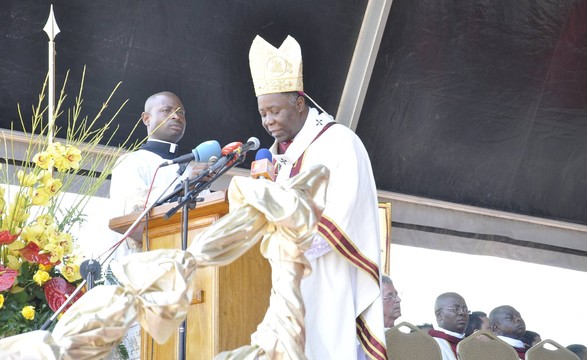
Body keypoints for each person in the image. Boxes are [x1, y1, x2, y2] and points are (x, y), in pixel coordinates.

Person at [248, 35, 385, 359]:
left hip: (329, 274)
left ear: (299, 102)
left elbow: (345, 212)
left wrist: (292, 246)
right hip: (291, 279)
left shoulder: (339, 142)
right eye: (263, 113)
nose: (268, 121)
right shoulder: (286, 157)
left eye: (275, 111)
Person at [110, 91, 190, 257]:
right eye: (167, 111)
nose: (176, 116)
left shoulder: (191, 168)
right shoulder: (131, 162)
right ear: (147, 118)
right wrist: (182, 187)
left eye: (181, 112)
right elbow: (133, 215)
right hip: (144, 265)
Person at [428, 292, 470, 360]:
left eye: (465, 309)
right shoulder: (431, 344)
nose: (462, 313)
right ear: (439, 315)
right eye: (455, 309)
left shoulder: (472, 343)